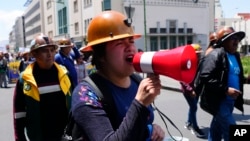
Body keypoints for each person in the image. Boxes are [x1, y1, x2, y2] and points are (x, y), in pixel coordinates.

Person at [71, 10, 165, 141]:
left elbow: (141, 123)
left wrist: (151, 128)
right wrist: (140, 103)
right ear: (101, 55)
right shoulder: (85, 94)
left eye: (131, 41)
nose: (130, 48)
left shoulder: (136, 81)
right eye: (120, 43)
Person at [13, 33, 72, 141]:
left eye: (52, 50)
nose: (50, 54)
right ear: (34, 54)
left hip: (65, 136)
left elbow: (73, 106)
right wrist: (19, 138)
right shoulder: (25, 79)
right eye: (45, 51)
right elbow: (19, 114)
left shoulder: (64, 74)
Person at [199, 26, 249, 141]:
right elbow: (205, 76)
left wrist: (246, 80)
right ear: (224, 41)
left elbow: (236, 75)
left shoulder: (235, 56)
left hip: (230, 102)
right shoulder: (215, 54)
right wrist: (226, 90)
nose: (236, 41)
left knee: (216, 129)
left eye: (237, 38)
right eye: (232, 38)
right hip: (219, 101)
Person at [180, 44, 205, 138]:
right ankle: (194, 127)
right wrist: (190, 90)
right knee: (194, 107)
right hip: (188, 91)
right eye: (196, 54)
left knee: (192, 107)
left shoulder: (199, 62)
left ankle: (188, 123)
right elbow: (182, 79)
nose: (198, 56)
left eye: (199, 54)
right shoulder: (186, 63)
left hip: (197, 89)